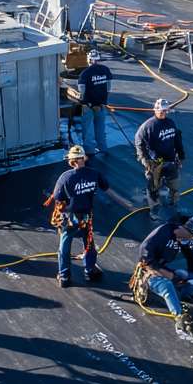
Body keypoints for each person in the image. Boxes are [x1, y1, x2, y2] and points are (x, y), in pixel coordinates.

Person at [48, 145, 110, 287]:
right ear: (83, 158)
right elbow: (106, 187)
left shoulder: (66, 177)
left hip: (70, 217)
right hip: (86, 215)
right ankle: (89, 270)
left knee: (65, 243)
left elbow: (58, 197)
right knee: (88, 241)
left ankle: (64, 276)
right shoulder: (94, 174)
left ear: (71, 161)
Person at [137, 214, 193, 335]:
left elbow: (190, 256)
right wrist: (170, 276)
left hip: (162, 268)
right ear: (187, 231)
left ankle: (183, 293)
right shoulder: (162, 233)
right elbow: (146, 260)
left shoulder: (182, 238)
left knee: (190, 277)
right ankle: (179, 316)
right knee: (167, 286)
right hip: (149, 271)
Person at [134, 98, 184, 219]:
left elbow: (177, 140)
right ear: (155, 110)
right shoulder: (148, 126)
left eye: (165, 110)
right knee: (153, 187)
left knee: (175, 185)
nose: (163, 113)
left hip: (171, 162)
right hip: (155, 163)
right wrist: (145, 160)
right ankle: (154, 210)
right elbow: (138, 142)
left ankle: (173, 203)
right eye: (160, 110)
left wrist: (181, 156)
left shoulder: (171, 123)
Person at [76, 55, 112, 156]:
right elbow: (109, 88)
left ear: (89, 60)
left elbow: (81, 90)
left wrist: (86, 103)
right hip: (101, 105)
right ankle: (103, 148)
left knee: (88, 130)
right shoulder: (105, 70)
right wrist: (103, 102)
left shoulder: (85, 73)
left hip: (89, 106)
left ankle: (89, 151)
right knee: (100, 128)